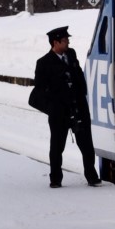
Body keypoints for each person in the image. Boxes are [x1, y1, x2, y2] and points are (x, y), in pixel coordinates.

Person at [32, 25, 101, 188]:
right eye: (64, 41)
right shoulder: (43, 63)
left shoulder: (71, 54)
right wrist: (53, 107)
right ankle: (55, 178)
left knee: (86, 145)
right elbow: (40, 89)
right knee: (57, 146)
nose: (68, 43)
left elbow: (78, 77)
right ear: (55, 43)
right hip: (59, 112)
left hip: (78, 108)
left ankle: (91, 176)